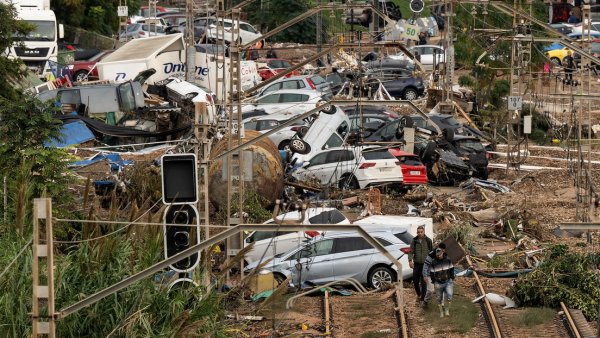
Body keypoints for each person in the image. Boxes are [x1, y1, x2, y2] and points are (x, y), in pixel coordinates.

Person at [408, 225, 433, 307]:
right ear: (417, 232)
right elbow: (411, 251)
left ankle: (422, 299)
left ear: (424, 232)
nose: (420, 233)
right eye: (418, 232)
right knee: (415, 281)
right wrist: (410, 261)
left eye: (421, 232)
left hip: (425, 265)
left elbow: (431, 253)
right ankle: (419, 294)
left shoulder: (428, 241)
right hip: (417, 264)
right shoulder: (414, 241)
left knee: (423, 282)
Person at [428, 245, 454, 318]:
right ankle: (441, 312)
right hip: (438, 283)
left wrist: (452, 277)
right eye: (437, 255)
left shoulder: (448, 260)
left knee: (450, 296)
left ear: (442, 253)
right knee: (439, 298)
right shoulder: (433, 262)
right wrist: (434, 282)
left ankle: (447, 310)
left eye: (440, 255)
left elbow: (452, 269)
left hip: (448, 281)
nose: (439, 256)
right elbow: (432, 273)